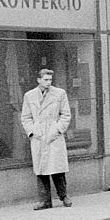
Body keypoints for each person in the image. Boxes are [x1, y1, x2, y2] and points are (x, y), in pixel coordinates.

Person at [20, 68, 72, 209]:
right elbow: (25, 117)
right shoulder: (29, 96)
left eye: (50, 80)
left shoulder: (60, 94)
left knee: (57, 168)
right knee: (41, 170)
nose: (48, 82)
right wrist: (32, 132)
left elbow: (66, 115)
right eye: (45, 79)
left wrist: (57, 129)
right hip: (39, 136)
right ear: (38, 80)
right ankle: (45, 201)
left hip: (53, 135)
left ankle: (64, 196)